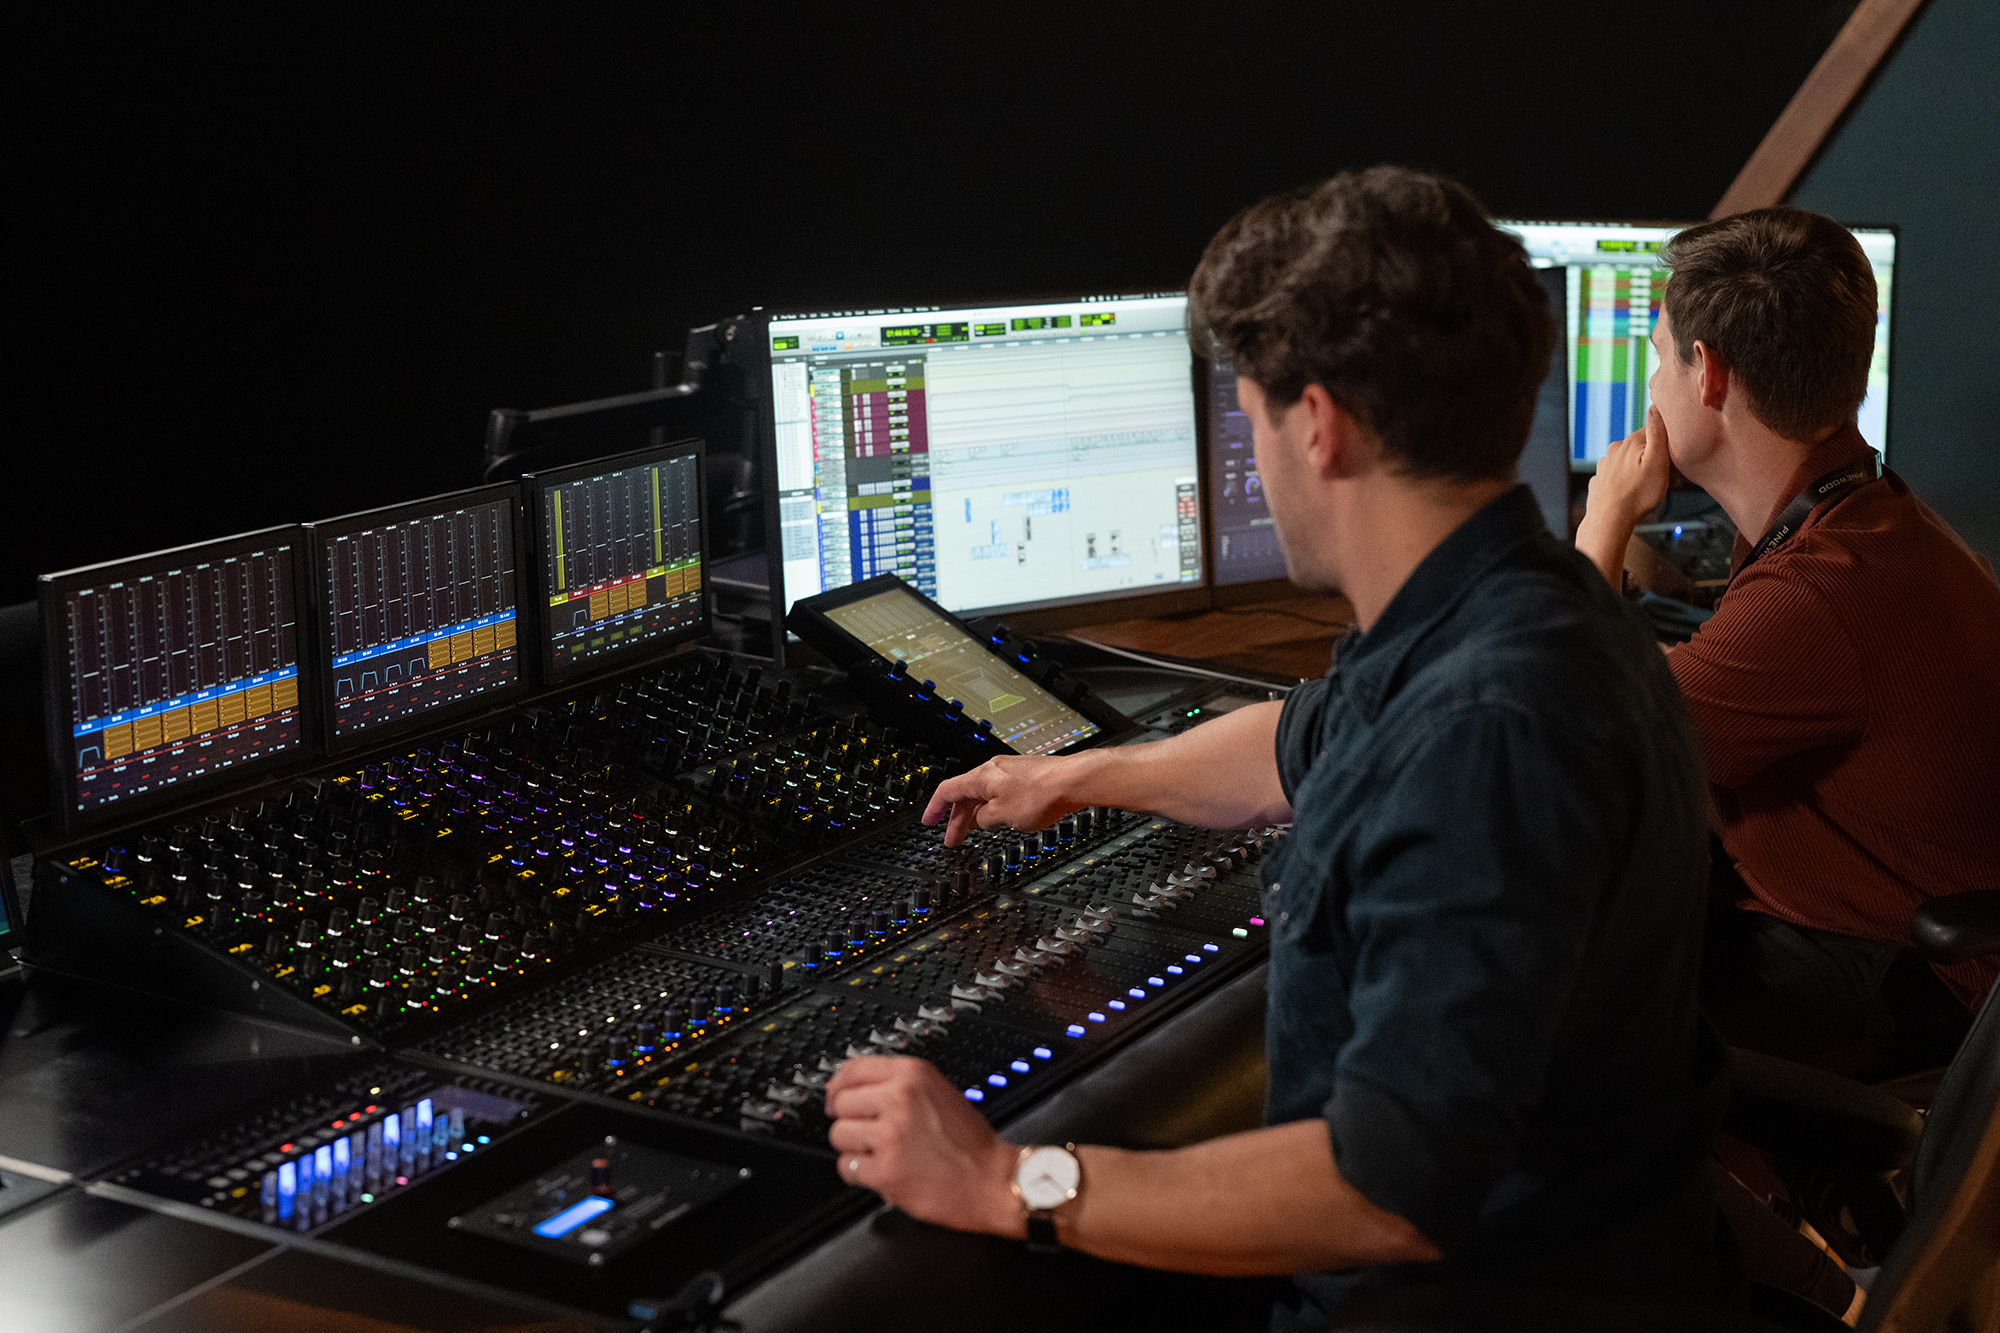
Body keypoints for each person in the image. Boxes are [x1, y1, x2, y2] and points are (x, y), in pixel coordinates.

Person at [823, 167, 1726, 1329]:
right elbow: (1298, 742)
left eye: (1246, 412)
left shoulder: (1486, 728)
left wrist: (1010, 1181)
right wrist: (1069, 776)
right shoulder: (1514, 600)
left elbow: (1383, 1188)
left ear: (1317, 424)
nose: (1247, 452)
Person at [1575, 208, 2000, 1073]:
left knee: (1568, 1014)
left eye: (1658, 357)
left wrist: (1605, 518)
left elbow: (1570, 726)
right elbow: (1700, 688)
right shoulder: (1865, 516)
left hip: (1911, 980)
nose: (1650, 386)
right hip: (1904, 933)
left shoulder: (1816, 592)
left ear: (1709, 375)